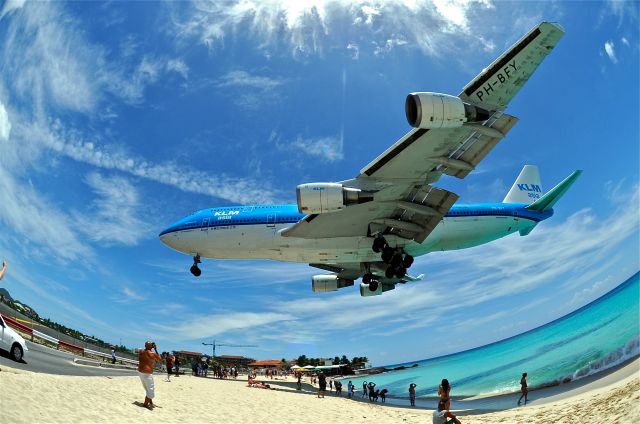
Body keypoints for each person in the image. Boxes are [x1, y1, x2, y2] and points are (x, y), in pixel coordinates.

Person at [137, 341, 163, 409]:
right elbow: (160, 360)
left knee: (147, 388)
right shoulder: (152, 353)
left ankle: (150, 402)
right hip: (147, 374)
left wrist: (151, 346)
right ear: (151, 346)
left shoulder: (141, 351)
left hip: (140, 372)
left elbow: (138, 350)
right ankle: (145, 404)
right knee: (150, 391)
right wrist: (156, 349)